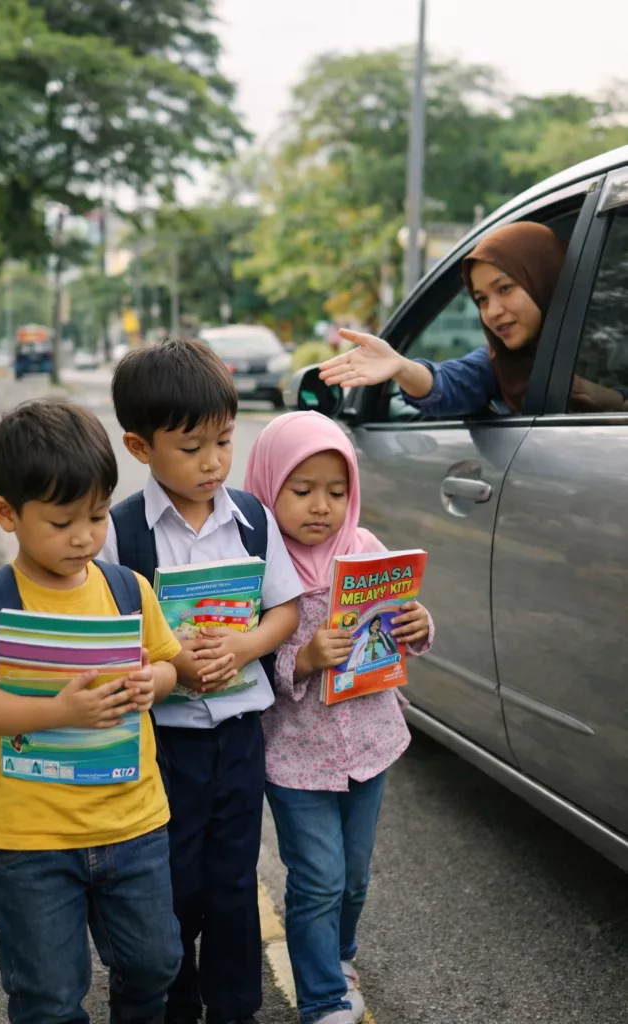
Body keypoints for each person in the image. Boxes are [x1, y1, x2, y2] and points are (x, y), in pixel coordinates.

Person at [0, 400, 183, 1024]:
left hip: (133, 826)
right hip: (32, 840)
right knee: (48, 996)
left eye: (98, 516)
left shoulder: (127, 589)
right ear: (6, 514)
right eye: (61, 522)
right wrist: (58, 710)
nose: (84, 536)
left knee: (156, 963)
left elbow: (170, 664)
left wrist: (150, 684)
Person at [99, 339, 303, 1024]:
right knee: (172, 882)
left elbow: (285, 608)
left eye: (224, 439)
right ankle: (174, 1004)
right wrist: (169, 659)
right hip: (164, 744)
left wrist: (244, 642)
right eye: (191, 447)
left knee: (232, 881)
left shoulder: (249, 518)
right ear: (139, 446)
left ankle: (237, 1006)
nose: (213, 461)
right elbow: (104, 640)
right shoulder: (121, 535)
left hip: (239, 738)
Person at [244, 410, 434, 1024]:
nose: (321, 506)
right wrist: (303, 660)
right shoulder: (261, 565)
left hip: (370, 741)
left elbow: (398, 622)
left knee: (353, 876)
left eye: (337, 490)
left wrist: (418, 625)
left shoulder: (365, 548)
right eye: (302, 491)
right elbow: (251, 663)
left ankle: (341, 954)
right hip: (297, 754)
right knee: (318, 878)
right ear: (269, 485)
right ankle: (322, 997)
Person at [319, 221, 628, 416]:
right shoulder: (500, 366)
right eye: (481, 299)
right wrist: (401, 367)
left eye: (505, 288)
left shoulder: (615, 343)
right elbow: (448, 383)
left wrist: (610, 400)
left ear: (545, 279)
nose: (492, 311)